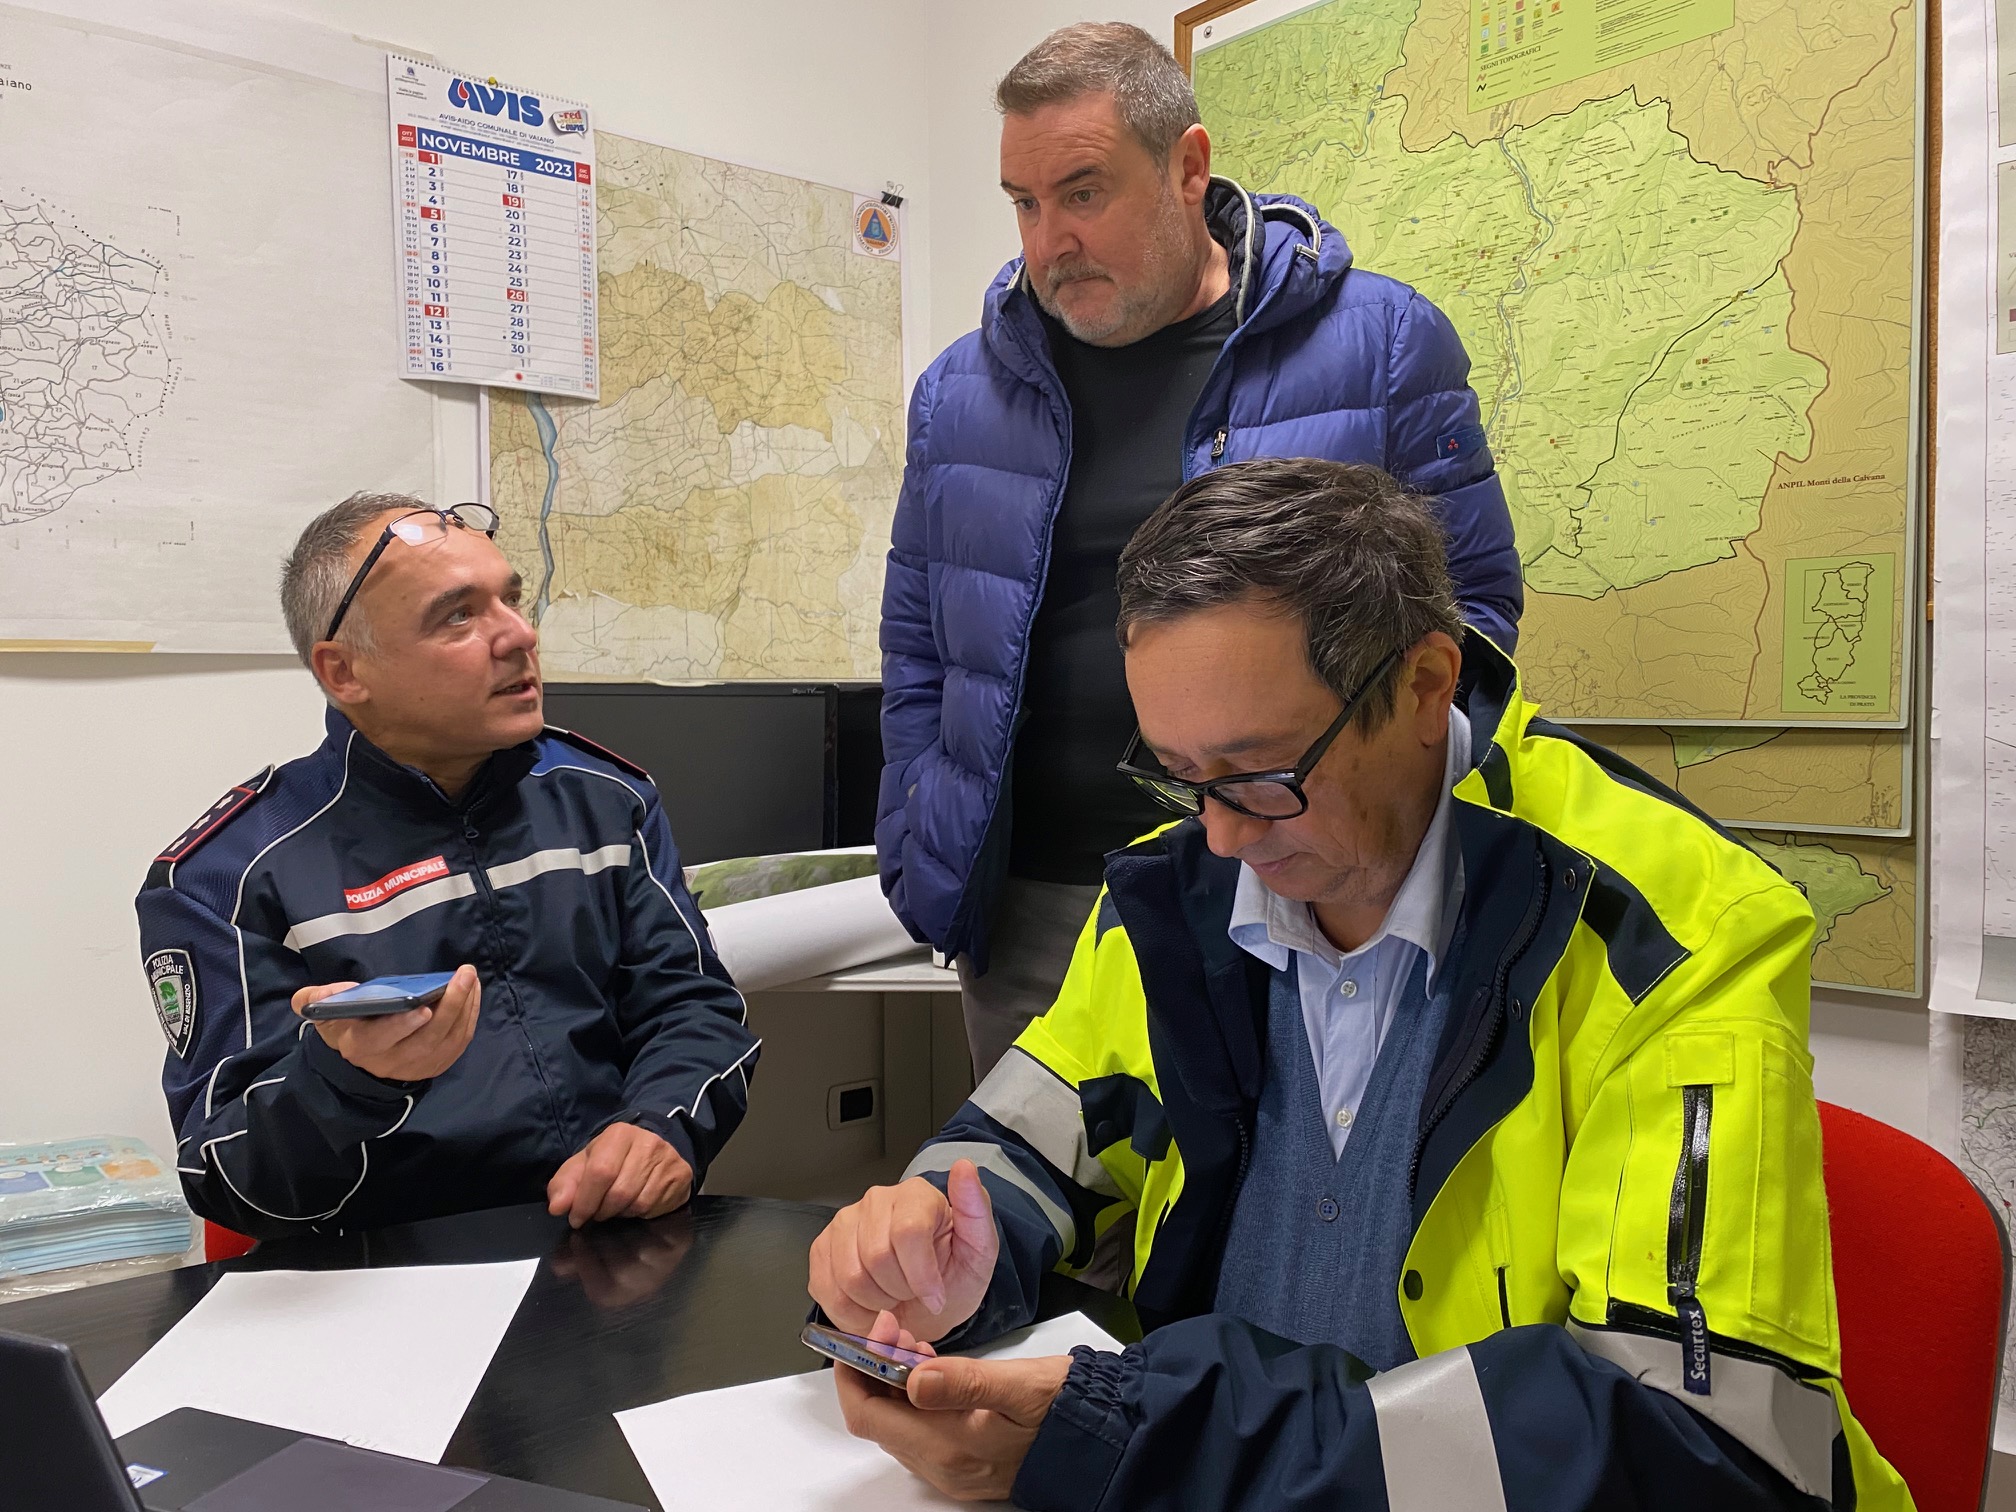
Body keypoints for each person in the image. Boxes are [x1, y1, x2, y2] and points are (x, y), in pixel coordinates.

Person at [813, 459, 1907, 1510]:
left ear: (1427, 684)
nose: (1226, 836)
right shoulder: (1175, 892)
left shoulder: (1682, 933)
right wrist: (938, 1244)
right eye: (1181, 775)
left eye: (1266, 773)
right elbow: (1017, 1143)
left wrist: (1159, 1440)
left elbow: (1701, 1447)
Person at [876, 22, 1523, 1080]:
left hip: (1303, 898)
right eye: (1024, 204)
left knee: (1279, 1230)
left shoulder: (1386, 344)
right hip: (1033, 910)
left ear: (1187, 167)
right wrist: (918, 839)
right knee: (1047, 1222)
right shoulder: (958, 394)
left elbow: (1473, 628)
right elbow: (919, 646)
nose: (1048, 243)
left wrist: (1357, 855)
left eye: (1082, 192)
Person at [135, 493, 758, 1238]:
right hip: (378, 1286)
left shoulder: (603, 799)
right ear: (344, 671)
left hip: (608, 1252)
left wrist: (664, 1126)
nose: (519, 635)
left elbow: (691, 1007)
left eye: (512, 599)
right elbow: (226, 1176)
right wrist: (346, 1080)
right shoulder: (224, 876)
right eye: (458, 615)